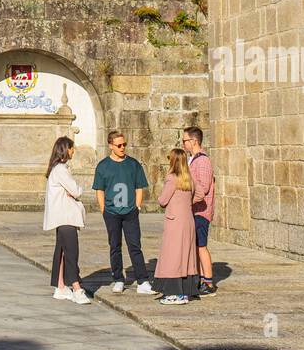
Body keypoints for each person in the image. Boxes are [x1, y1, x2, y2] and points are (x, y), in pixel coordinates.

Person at [92, 130, 155, 294]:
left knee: (135, 245)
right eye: (119, 145)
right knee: (115, 246)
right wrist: (103, 209)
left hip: (130, 212)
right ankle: (118, 279)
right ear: (111, 146)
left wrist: (137, 206)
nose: (122, 148)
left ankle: (142, 280)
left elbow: (139, 186)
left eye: (124, 144)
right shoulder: (103, 166)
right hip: (111, 212)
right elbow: (99, 189)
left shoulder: (133, 164)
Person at [152, 148, 203, 305]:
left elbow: (163, 200)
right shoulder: (189, 178)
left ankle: (174, 293)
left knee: (173, 256)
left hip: (175, 221)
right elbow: (200, 194)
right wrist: (186, 203)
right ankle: (186, 291)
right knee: (186, 256)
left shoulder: (172, 178)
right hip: (188, 219)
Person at [44, 136, 91, 305]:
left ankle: (60, 286)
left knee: (62, 251)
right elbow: (76, 190)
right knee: (71, 252)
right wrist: (77, 189)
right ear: (65, 149)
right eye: (71, 148)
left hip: (62, 216)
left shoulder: (57, 169)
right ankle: (76, 288)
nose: (73, 151)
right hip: (65, 217)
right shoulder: (61, 170)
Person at [182, 125, 217, 295]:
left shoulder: (202, 161)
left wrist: (186, 201)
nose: (183, 144)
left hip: (200, 212)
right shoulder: (193, 159)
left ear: (194, 141)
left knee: (201, 246)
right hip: (193, 211)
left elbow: (201, 189)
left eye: (185, 141)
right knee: (196, 246)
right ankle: (200, 279)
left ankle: (208, 282)